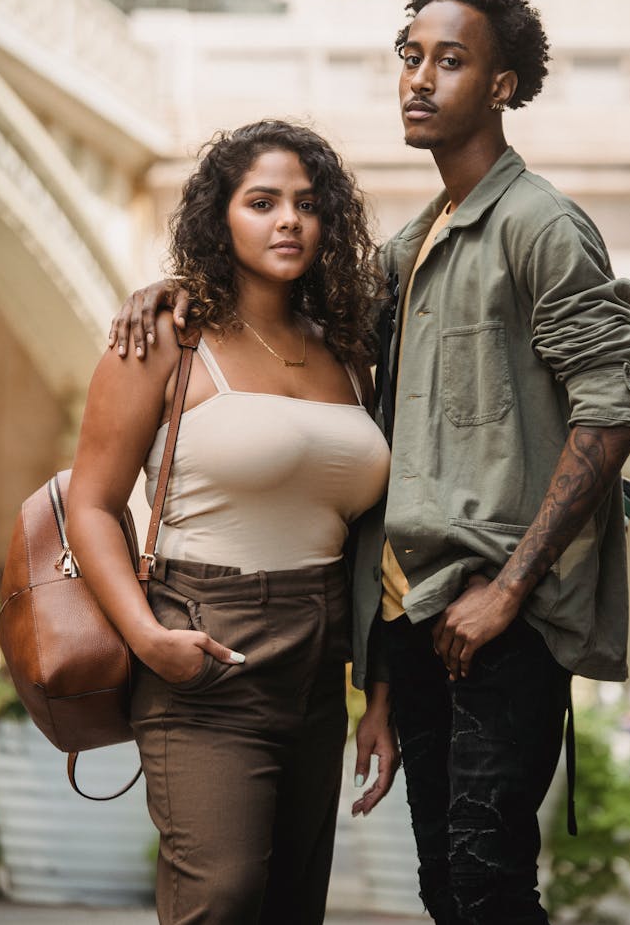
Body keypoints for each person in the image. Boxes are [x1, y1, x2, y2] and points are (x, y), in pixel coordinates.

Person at [110, 0, 630, 924]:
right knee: (447, 886)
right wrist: (173, 289)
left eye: (451, 61)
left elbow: (609, 413)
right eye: (410, 57)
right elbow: (289, 327)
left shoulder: (542, 228)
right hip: (420, 625)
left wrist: (510, 589)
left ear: (502, 84)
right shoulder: (408, 250)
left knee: (487, 885)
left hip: (504, 621)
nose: (420, 79)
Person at [66, 120, 396, 925]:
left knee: (290, 906)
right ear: (222, 218)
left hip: (320, 655)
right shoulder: (165, 340)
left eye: (308, 204)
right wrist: (148, 639)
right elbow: (91, 504)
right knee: (221, 896)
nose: (290, 220)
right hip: (201, 641)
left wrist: (380, 692)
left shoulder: (350, 355)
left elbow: (372, 541)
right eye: (263, 201)